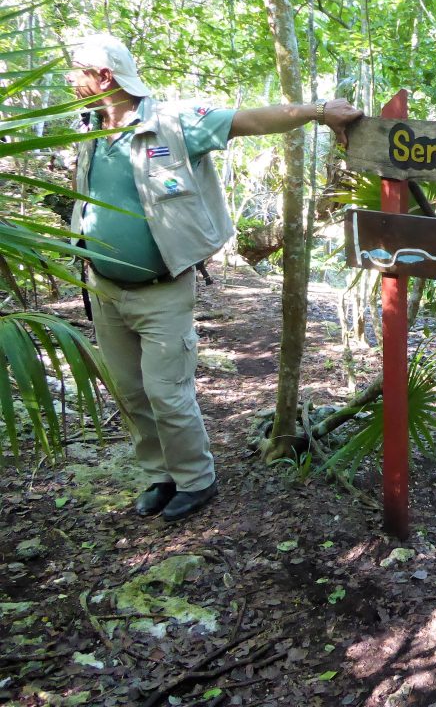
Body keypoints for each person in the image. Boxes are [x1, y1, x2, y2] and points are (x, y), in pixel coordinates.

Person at [67, 33, 363, 522]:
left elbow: (247, 121)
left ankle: (195, 480)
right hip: (103, 288)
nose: (69, 77)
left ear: (104, 76)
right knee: (129, 391)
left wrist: (318, 110)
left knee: (166, 392)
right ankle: (159, 475)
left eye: (76, 67)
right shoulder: (88, 129)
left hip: (161, 290)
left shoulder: (172, 121)